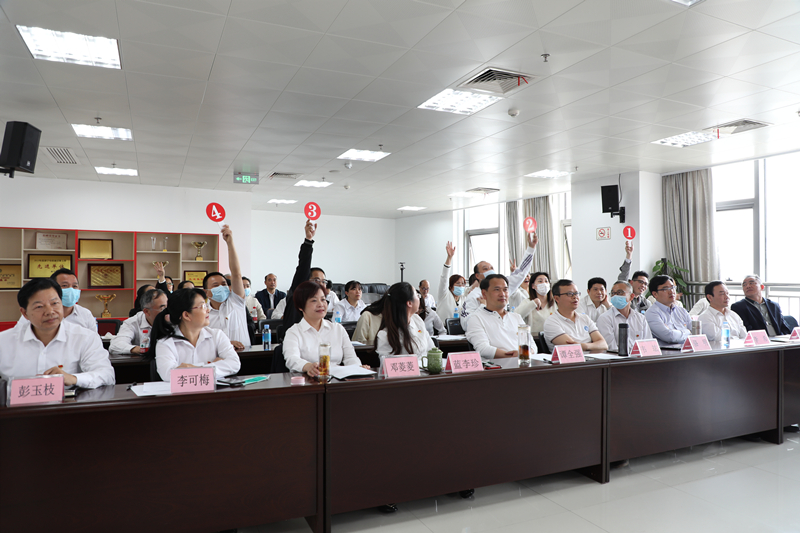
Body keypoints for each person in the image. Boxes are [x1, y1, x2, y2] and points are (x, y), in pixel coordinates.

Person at [0, 278, 115, 388]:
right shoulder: (4, 342)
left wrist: (73, 378)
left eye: (55, 303)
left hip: (67, 406)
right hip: (16, 407)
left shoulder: (85, 337)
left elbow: (107, 375)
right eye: (39, 306)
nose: (50, 312)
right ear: (25, 313)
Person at [152, 288, 241, 380]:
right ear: (186, 315)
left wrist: (194, 369)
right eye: (202, 306)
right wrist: (209, 366)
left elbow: (234, 364)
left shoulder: (217, 335)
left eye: (206, 305)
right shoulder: (165, 343)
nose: (208, 310)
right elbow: (168, 375)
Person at [283, 281, 366, 376]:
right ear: (300, 306)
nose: (321, 304)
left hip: (337, 380)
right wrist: (308, 366)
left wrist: (358, 368)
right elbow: (292, 359)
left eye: (323, 299)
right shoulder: (294, 332)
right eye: (314, 300)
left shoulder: (338, 329)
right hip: (308, 380)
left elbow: (351, 358)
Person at [461, 231, 538, 329]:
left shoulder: (503, 286)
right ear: (477, 275)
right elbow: (465, 324)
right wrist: (483, 308)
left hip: (504, 330)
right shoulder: (473, 296)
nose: (502, 293)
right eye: (485, 269)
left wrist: (531, 248)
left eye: (491, 268)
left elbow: (521, 272)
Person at [466, 274, 536, 359]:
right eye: (497, 290)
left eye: (505, 290)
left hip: (523, 363)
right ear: (484, 294)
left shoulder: (516, 317)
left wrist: (523, 353)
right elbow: (483, 348)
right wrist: (514, 355)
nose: (502, 294)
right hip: (498, 368)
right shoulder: (476, 318)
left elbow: (532, 346)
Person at [203, 224, 250, 349]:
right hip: (216, 359)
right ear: (207, 292)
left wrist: (230, 243)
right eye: (216, 285)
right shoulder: (202, 313)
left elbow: (236, 273)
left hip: (245, 356)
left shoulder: (236, 301)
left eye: (224, 284)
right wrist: (226, 344)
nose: (222, 287)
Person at [17, 268, 97, 332]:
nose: (71, 290)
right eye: (65, 285)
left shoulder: (85, 314)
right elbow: (18, 338)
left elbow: (95, 343)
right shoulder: (34, 313)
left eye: (75, 286)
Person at [273, 220, 317, 332]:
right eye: (316, 280)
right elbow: (303, 266)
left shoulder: (320, 307)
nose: (320, 284)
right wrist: (308, 241)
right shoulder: (296, 297)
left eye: (323, 281)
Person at [375, 282, 435, 362]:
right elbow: (388, 366)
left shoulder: (417, 320)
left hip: (426, 371)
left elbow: (432, 350)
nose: (420, 298)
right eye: (417, 295)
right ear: (409, 303)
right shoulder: (385, 335)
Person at [543, 279, 608, 353]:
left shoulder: (585, 318)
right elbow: (573, 349)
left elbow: (603, 345)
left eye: (576, 293)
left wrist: (584, 346)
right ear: (557, 298)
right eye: (570, 294)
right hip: (569, 363)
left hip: (592, 361)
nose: (575, 297)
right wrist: (592, 346)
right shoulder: (551, 322)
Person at [596, 281, 653, 352]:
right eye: (613, 293)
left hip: (639, 359)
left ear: (631, 296)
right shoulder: (605, 318)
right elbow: (611, 347)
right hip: (617, 360)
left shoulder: (640, 318)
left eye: (620, 292)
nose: (615, 296)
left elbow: (648, 343)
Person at [109, 288, 168, 355]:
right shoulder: (132, 322)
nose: (167, 312)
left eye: (168, 307)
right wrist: (140, 349)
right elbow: (115, 345)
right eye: (163, 308)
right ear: (147, 311)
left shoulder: (173, 320)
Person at [645, 275, 692, 346]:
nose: (671, 292)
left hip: (686, 351)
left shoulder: (682, 311)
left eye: (672, 287)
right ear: (655, 294)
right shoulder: (652, 313)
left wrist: (676, 332)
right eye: (665, 289)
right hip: (666, 354)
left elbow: (695, 332)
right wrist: (688, 332)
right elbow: (669, 336)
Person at [436, 241, 468, 325]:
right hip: (443, 329)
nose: (461, 286)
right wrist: (449, 258)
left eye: (463, 284)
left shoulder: (463, 298)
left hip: (459, 330)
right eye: (458, 283)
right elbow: (444, 278)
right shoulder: (444, 294)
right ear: (450, 286)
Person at [615, 242, 651, 313]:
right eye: (641, 282)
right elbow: (623, 277)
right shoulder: (624, 298)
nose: (643, 285)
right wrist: (629, 255)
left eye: (645, 284)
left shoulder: (646, 303)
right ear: (631, 282)